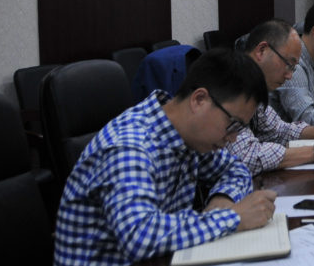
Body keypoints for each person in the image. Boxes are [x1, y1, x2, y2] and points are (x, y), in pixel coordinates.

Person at [54, 50, 278, 266]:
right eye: (233, 124)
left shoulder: (188, 135)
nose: (233, 138)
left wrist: (223, 197)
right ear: (199, 100)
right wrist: (233, 217)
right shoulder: (129, 146)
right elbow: (139, 236)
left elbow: (236, 169)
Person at [227, 19, 314, 175]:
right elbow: (247, 158)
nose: (289, 76)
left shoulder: (255, 90)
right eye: (288, 65)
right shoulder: (230, 87)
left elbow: (280, 131)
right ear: (261, 50)